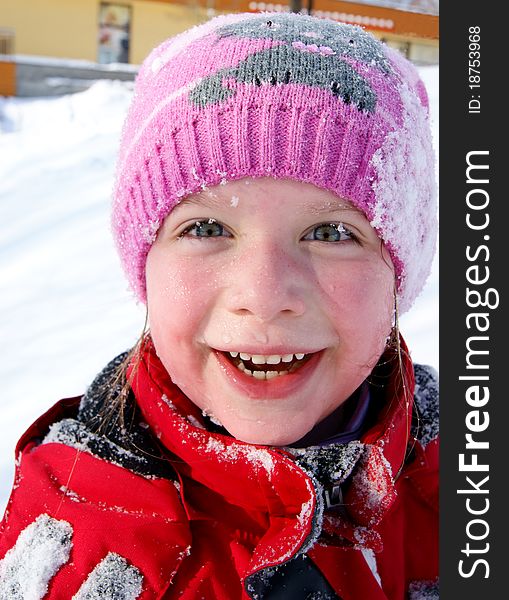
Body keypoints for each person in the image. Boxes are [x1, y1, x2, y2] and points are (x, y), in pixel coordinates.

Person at [0, 11, 438, 600]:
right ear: (145, 264)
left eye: (333, 234)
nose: (262, 297)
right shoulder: (70, 535)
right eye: (206, 226)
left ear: (399, 274)